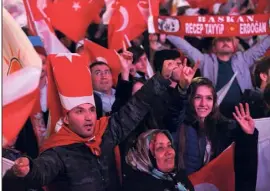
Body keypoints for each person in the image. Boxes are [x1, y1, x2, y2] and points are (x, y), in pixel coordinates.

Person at [3, 51, 181, 191]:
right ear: (66, 118)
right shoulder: (59, 149)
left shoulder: (106, 131)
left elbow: (137, 105)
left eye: (91, 110)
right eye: (79, 111)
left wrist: (161, 78)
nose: (88, 117)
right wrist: (28, 170)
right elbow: (42, 170)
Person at [169, 77, 258, 190]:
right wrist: (181, 89)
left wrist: (248, 134)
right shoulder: (179, 124)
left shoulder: (219, 125)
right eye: (198, 97)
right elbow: (173, 114)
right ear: (189, 99)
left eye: (209, 98)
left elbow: (243, 163)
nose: (203, 104)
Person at [167, 34, 270, 118]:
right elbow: (187, 49)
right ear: (214, 48)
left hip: (243, 115)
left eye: (228, 40)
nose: (225, 42)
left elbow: (261, 47)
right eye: (221, 40)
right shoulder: (205, 61)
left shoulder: (243, 59)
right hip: (216, 116)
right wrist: (167, 33)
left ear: (234, 47)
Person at [123, 129, 194, 191]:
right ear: (145, 154)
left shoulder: (179, 177)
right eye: (160, 148)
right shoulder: (136, 185)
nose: (169, 152)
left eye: (169, 145)